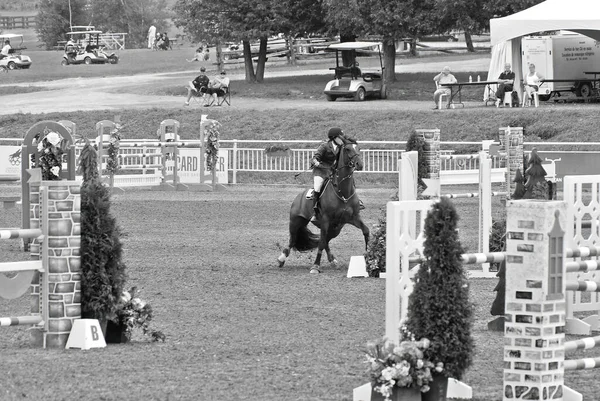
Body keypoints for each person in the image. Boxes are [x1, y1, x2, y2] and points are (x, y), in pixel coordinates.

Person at [307, 127, 347, 215]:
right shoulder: (324, 146)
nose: (342, 139)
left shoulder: (340, 147)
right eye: (340, 137)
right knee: (317, 187)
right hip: (320, 171)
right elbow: (314, 158)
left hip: (332, 171)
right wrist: (316, 163)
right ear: (334, 138)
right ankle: (315, 209)